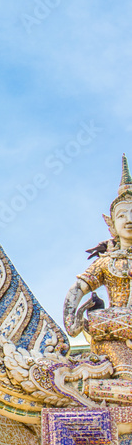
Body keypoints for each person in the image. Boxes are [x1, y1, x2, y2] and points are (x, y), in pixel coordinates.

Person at [64, 156, 132, 378]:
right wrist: (70, 316)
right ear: (111, 224)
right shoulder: (107, 262)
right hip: (115, 330)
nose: (129, 219)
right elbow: (79, 287)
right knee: (126, 376)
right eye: (122, 215)